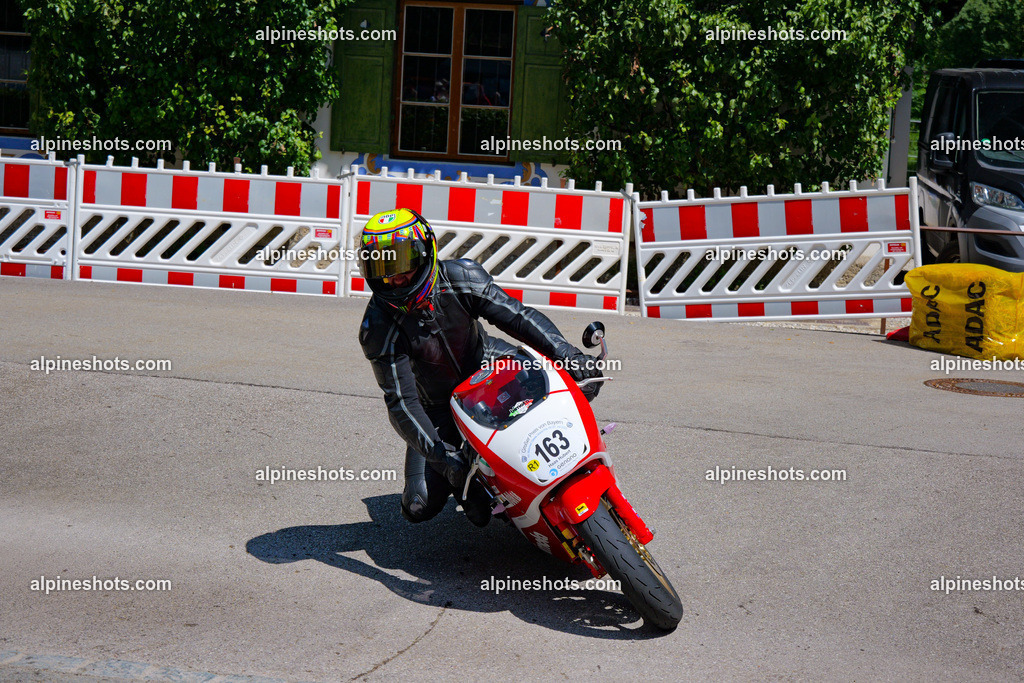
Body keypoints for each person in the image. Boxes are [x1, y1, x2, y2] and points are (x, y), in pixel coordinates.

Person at [357, 208, 602, 527]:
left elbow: (518, 316)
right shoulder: (376, 326)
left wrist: (566, 354)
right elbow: (401, 404)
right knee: (418, 506)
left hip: (491, 366)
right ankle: (473, 485)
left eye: (403, 263)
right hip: (438, 409)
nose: (396, 277)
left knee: (578, 382)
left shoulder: (462, 275)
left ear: (425, 252)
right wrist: (442, 458)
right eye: (384, 268)